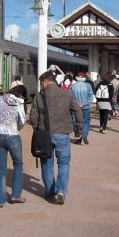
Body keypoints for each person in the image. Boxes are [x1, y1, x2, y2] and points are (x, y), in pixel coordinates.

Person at [29, 71, 82, 205]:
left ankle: (50, 192)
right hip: (62, 134)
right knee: (63, 164)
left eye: (42, 83)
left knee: (47, 164)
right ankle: (61, 191)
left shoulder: (39, 96)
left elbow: (33, 116)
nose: (42, 86)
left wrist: (37, 129)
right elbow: (77, 112)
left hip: (44, 134)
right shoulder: (67, 94)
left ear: (46, 81)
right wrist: (79, 130)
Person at [0, 85, 26, 207]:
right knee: (18, 164)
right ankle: (15, 195)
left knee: (1, 167)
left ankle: (1, 200)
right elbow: (22, 121)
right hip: (12, 136)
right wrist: (17, 128)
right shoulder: (18, 102)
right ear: (21, 94)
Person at [70, 72, 94, 145]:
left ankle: (78, 137)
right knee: (86, 121)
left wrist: (77, 103)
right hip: (86, 107)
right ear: (84, 78)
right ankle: (84, 134)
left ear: (76, 78)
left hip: (76, 107)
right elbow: (91, 97)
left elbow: (71, 97)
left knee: (76, 122)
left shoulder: (73, 86)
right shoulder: (88, 86)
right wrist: (84, 103)